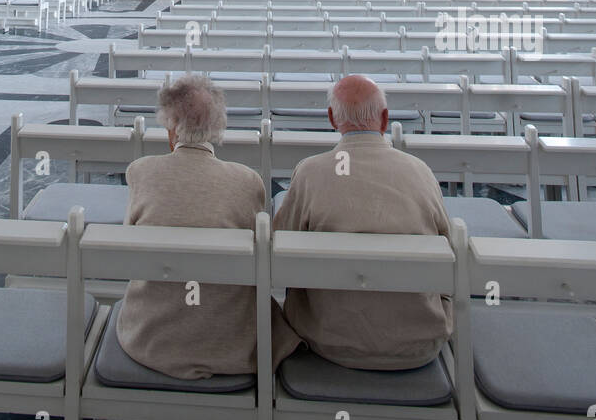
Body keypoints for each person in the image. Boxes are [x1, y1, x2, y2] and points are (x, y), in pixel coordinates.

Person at [116, 74, 298, 378]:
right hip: (231, 341)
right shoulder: (246, 181)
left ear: (170, 127)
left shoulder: (141, 172)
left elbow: (129, 250)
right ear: (217, 125)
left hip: (152, 339)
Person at [273, 74, 453, 370]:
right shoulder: (421, 172)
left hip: (327, 338)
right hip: (419, 342)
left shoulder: (309, 173)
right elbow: (449, 259)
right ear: (385, 119)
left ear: (332, 118)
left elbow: (279, 256)